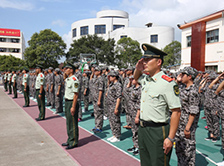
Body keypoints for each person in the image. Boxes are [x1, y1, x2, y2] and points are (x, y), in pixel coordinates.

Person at [134, 43, 181, 166]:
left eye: (148, 59)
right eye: (144, 59)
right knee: (145, 163)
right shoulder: (146, 79)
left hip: (158, 131)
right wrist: (137, 68)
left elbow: (176, 111)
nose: (144, 62)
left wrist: (170, 138)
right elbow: (135, 78)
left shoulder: (167, 83)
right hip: (143, 129)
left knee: (158, 163)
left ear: (158, 62)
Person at [175, 67, 200, 166]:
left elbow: (193, 111)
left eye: (183, 75)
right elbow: (173, 90)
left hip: (187, 125)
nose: (181, 76)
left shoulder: (193, 91)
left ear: (189, 77)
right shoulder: (182, 87)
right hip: (179, 124)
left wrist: (188, 128)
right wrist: (177, 80)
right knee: (179, 149)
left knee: (188, 150)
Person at [61, 62, 80, 149]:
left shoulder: (74, 80)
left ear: (71, 70)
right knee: (68, 122)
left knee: (72, 122)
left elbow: (76, 94)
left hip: (72, 102)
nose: (65, 70)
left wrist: (73, 106)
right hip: (67, 101)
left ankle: (74, 142)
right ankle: (69, 139)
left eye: (67, 69)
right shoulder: (68, 79)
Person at [106, 70, 122, 143]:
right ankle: (114, 134)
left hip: (114, 105)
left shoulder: (118, 85)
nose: (109, 78)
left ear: (115, 77)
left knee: (116, 121)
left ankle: (117, 136)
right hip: (109, 105)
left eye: (111, 76)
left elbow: (119, 97)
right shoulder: (111, 84)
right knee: (111, 121)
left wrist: (116, 108)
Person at [91, 67, 104, 133]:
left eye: (96, 71)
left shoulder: (101, 79)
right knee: (96, 113)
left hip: (98, 98)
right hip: (94, 98)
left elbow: (100, 90)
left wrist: (99, 100)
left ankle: (99, 127)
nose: (94, 72)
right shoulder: (95, 78)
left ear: (99, 71)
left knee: (99, 113)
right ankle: (96, 125)